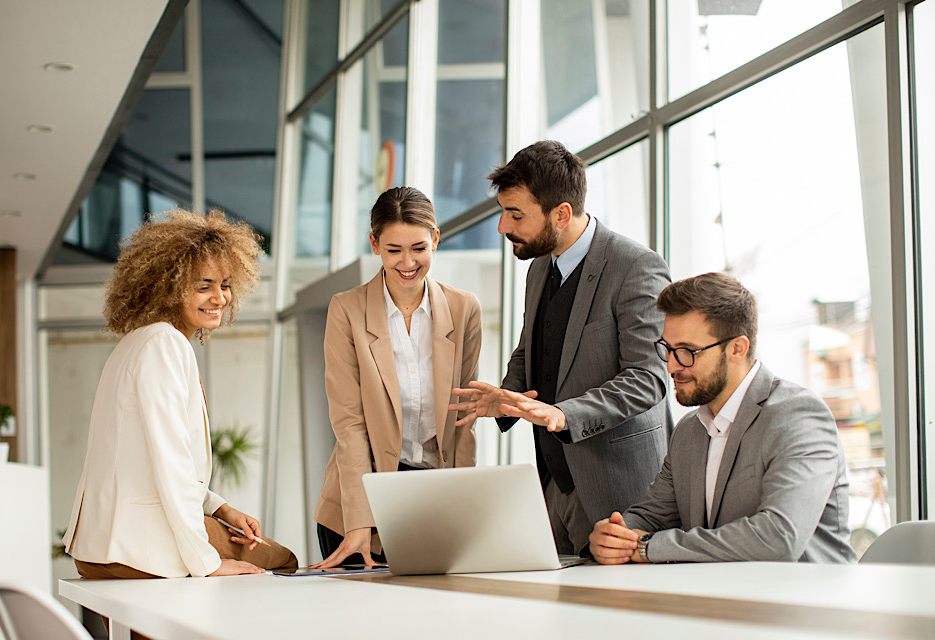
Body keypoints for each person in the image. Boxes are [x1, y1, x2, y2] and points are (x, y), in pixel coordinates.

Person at [450, 140, 672, 555]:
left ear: (562, 213)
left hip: (621, 491)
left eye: (515, 215)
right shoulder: (539, 268)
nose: (503, 227)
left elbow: (649, 378)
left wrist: (563, 414)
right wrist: (506, 395)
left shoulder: (635, 266)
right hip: (554, 484)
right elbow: (531, 347)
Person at [63, 208, 298, 581]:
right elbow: (170, 462)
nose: (219, 298)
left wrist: (220, 509)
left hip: (99, 546)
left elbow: (148, 461)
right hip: (138, 546)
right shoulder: (164, 344)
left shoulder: (137, 343)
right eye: (203, 285)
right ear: (167, 286)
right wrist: (208, 563)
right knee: (283, 559)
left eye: (224, 284)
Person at [588, 272, 854, 564]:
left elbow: (779, 538)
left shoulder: (799, 416)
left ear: (737, 348)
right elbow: (653, 514)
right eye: (668, 349)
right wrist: (615, 534)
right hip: (719, 599)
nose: (673, 366)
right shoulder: (690, 430)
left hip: (805, 602)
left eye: (688, 351)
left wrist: (647, 547)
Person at [312, 186, 482, 569]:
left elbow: (464, 418)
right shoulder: (347, 311)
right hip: (360, 504)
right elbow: (349, 424)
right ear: (374, 244)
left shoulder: (464, 308)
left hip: (433, 499)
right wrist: (360, 521)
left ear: (436, 239)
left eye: (419, 248)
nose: (408, 262)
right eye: (394, 250)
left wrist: (466, 509)